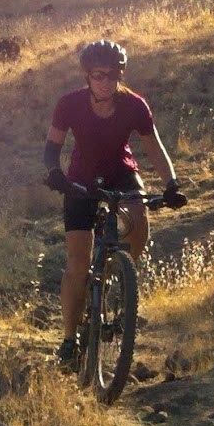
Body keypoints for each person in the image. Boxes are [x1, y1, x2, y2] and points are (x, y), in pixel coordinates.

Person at [43, 39, 185, 366]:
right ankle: (69, 338)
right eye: (97, 75)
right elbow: (51, 148)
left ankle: (122, 278)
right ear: (87, 76)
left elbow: (154, 148)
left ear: (120, 74)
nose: (104, 82)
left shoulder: (134, 105)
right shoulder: (69, 104)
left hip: (122, 173)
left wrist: (171, 184)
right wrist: (54, 172)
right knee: (78, 263)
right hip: (79, 179)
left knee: (139, 219)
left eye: (111, 75)